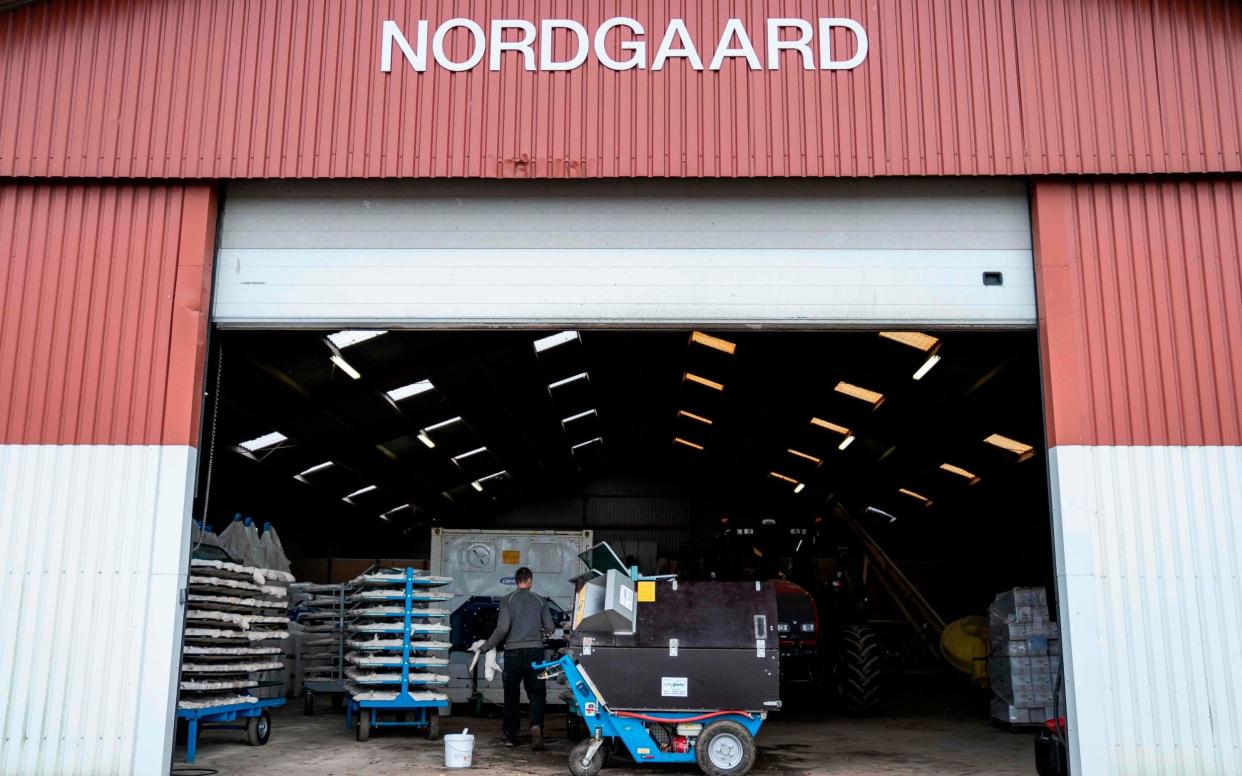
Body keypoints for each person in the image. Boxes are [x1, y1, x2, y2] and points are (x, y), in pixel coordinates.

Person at [471, 566, 555, 750]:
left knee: (511, 695)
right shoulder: (540, 601)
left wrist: (486, 647)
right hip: (535, 652)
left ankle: (510, 736)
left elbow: (502, 629)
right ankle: (536, 726)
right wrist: (542, 635)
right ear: (530, 581)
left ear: (516, 581)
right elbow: (550, 627)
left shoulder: (508, 600)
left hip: (513, 653)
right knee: (537, 693)